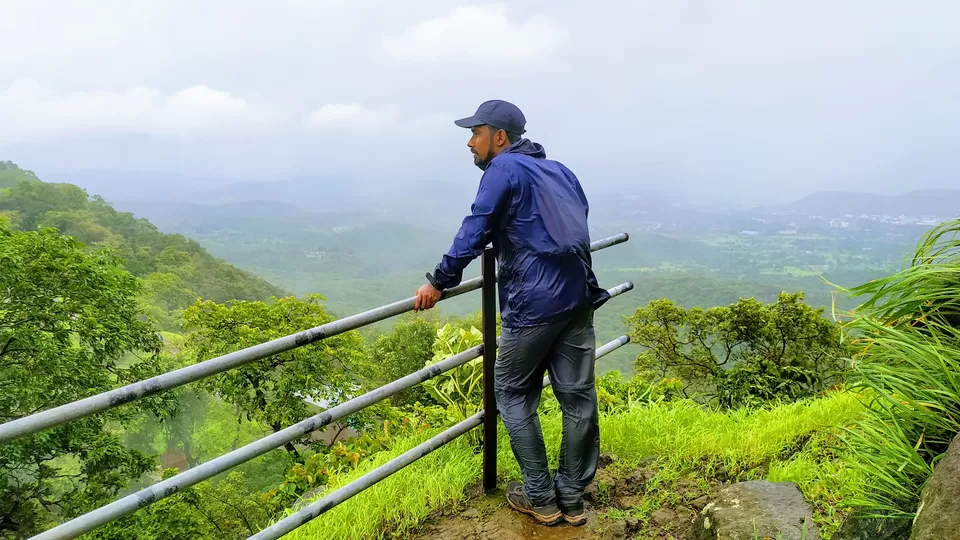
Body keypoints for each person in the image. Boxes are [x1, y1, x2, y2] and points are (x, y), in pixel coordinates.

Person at [413, 99, 609, 527]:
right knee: (577, 396)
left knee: (513, 391)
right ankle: (572, 499)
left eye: (476, 133)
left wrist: (438, 281)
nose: (470, 142)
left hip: (534, 304)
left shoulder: (503, 169)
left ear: (498, 137)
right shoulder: (560, 170)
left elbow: (476, 226)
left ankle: (540, 497)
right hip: (577, 297)